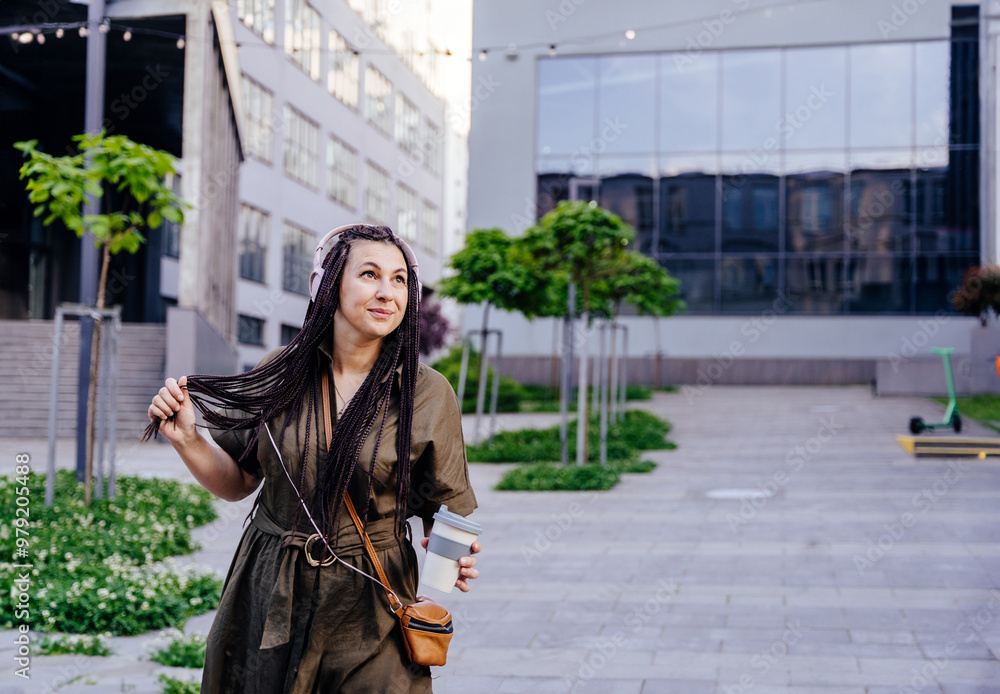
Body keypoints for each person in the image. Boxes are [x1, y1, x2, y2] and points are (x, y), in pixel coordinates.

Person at [144, 224, 480, 693]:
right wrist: (187, 441)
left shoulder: (426, 393)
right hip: (270, 591)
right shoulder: (282, 372)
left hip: (372, 602)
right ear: (327, 284)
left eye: (400, 279)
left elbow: (448, 509)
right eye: (369, 274)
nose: (388, 293)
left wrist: (454, 556)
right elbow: (240, 482)